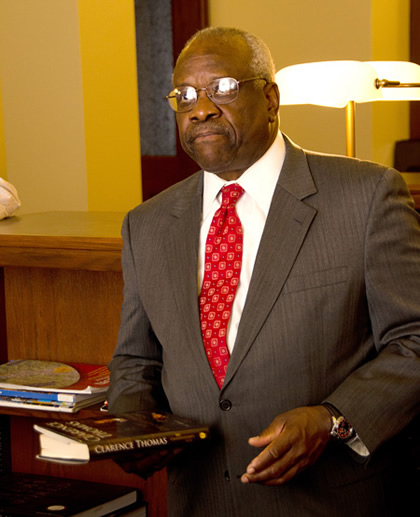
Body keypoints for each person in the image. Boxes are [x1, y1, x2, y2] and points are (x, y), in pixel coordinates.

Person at [107, 26, 420, 517]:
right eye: (185, 95)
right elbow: (135, 361)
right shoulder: (145, 224)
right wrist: (131, 425)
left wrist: (332, 420)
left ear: (271, 97)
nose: (201, 108)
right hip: (200, 499)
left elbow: (415, 339)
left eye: (224, 89)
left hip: (331, 500)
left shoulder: (367, 196)